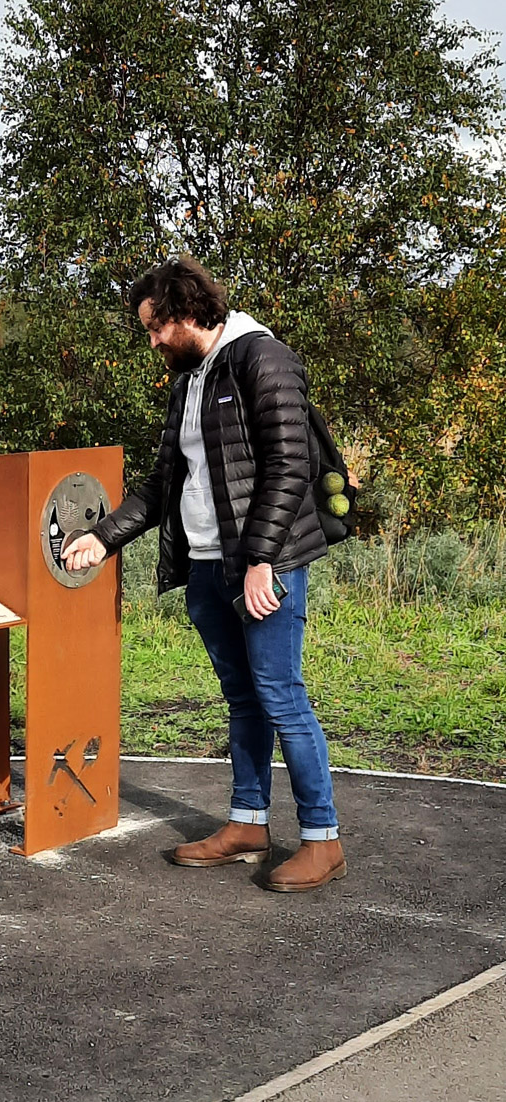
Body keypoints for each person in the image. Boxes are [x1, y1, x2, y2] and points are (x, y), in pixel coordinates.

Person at [62, 256, 345, 891]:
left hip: (262, 567)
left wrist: (261, 560)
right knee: (243, 698)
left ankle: (323, 839)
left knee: (281, 695)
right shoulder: (190, 379)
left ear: (190, 312)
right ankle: (248, 822)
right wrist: (101, 540)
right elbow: (165, 482)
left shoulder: (260, 359)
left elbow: (288, 467)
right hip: (208, 568)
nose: (154, 341)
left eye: (158, 327)